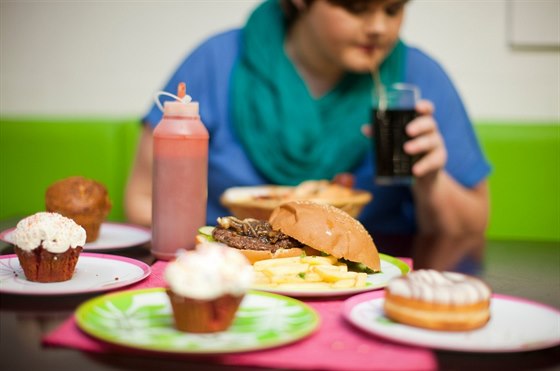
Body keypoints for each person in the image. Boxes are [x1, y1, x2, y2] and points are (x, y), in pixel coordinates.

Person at [125, 0, 491, 237]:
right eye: (357, 7)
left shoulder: (418, 78)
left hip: (372, 283)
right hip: (230, 273)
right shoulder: (217, 62)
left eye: (393, 9)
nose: (379, 27)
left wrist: (430, 181)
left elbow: (472, 229)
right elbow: (141, 199)